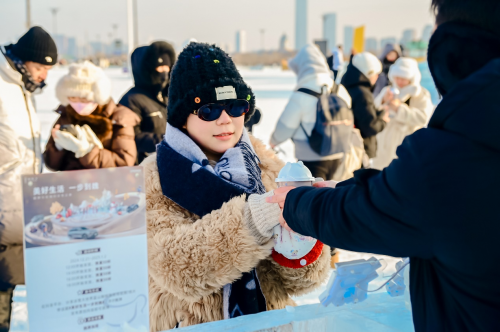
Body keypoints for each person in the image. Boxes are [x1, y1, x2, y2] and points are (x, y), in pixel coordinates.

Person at [268, 0, 500, 331]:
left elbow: (368, 213)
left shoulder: (452, 153)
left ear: (452, 48)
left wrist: (295, 203)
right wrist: (351, 188)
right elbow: (398, 198)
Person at [144, 43, 330, 331]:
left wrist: (300, 235)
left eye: (236, 107)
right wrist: (257, 217)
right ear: (182, 117)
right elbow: (173, 267)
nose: (225, 119)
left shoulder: (267, 164)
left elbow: (307, 281)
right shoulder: (156, 174)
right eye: (208, 109)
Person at [0, 27, 57, 329]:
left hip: (16, 212)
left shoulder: (22, 87)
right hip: (3, 210)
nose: (44, 77)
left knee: (6, 294)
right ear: (21, 61)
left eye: (48, 70)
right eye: (40, 68)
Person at [270, 44, 352, 180]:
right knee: (332, 196)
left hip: (310, 158)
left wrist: (274, 141)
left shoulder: (302, 93)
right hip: (339, 153)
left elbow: (286, 125)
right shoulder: (338, 88)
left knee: (314, 198)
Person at [43, 61, 139, 171]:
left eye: (84, 99)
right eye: (73, 98)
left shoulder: (119, 118)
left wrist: (87, 151)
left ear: (98, 97)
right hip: (71, 185)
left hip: (106, 186)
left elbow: (125, 163)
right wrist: (57, 147)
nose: (78, 104)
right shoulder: (65, 115)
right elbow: (51, 164)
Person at [371, 57, 434, 170]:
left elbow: (423, 118)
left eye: (403, 78)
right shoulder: (388, 90)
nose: (399, 81)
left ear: (411, 78)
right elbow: (373, 110)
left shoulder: (420, 95)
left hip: (407, 142)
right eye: (397, 77)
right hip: (384, 143)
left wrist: (399, 109)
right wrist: (383, 101)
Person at [119, 41, 176, 164]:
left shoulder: (169, 96)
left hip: (170, 164)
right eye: (159, 68)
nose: (164, 72)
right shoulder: (131, 100)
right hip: (145, 168)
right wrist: (169, 140)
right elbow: (131, 137)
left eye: (167, 67)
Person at [341, 52, 387, 159]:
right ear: (369, 73)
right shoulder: (363, 94)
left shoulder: (346, 86)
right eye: (376, 74)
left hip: (347, 147)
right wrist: (384, 119)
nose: (377, 77)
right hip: (361, 151)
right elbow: (370, 127)